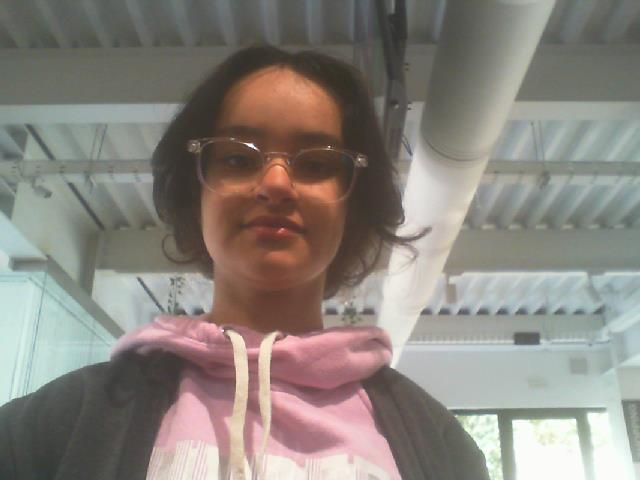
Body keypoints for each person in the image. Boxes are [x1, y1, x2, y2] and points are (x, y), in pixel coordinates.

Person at [0, 45, 490, 480]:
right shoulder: (52, 427)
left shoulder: (438, 445)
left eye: (316, 163)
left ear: (353, 204)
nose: (275, 184)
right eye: (237, 158)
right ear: (197, 193)